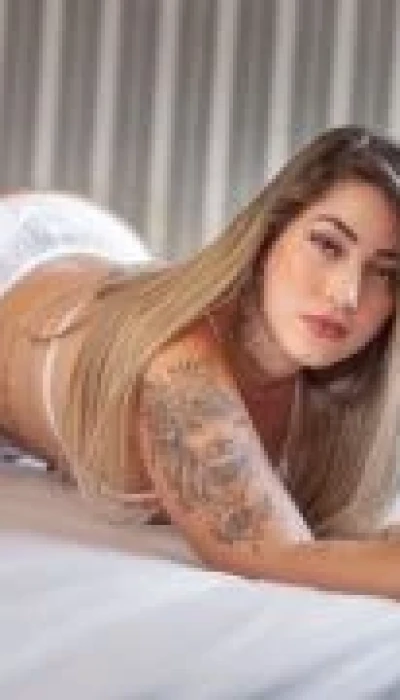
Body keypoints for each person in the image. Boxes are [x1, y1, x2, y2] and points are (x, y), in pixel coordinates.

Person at [0, 125, 399, 601]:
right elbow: (275, 554)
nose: (346, 294)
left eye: (385, 272)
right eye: (328, 245)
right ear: (270, 232)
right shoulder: (178, 365)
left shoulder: (343, 399)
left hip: (100, 272)